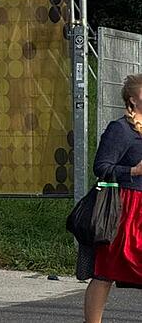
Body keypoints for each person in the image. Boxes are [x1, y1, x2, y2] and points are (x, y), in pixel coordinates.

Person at [83, 74, 142, 323]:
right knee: (105, 272)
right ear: (133, 100)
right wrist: (132, 171)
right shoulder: (120, 129)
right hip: (123, 209)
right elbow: (101, 166)